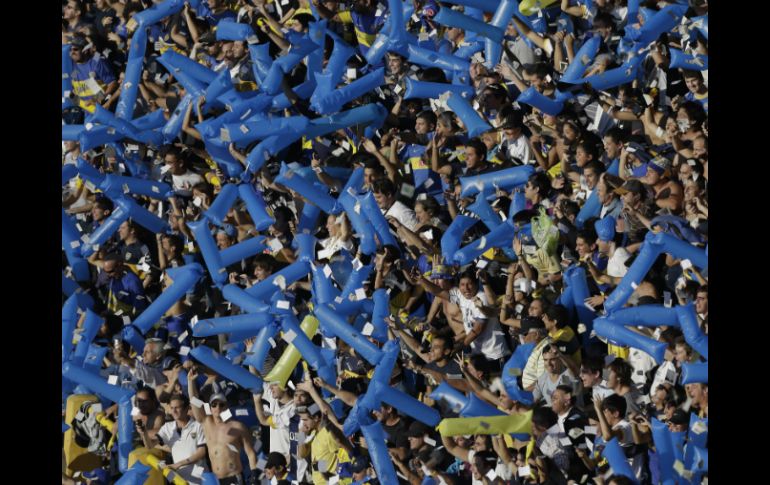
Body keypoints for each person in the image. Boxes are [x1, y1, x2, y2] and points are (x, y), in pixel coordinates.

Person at [187, 367, 259, 484]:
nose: (218, 408)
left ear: (227, 407)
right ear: (210, 408)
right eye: (214, 405)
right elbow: (194, 402)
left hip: (234, 478)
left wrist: (254, 474)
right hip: (217, 480)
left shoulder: (237, 427)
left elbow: (250, 453)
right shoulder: (207, 423)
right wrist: (190, 382)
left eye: (221, 405)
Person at [155, 394, 209, 484]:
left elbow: (201, 453)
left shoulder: (198, 425)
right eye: (172, 408)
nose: (174, 411)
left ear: (186, 408)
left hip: (201, 479)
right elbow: (150, 444)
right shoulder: (167, 427)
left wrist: (178, 464)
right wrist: (143, 432)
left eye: (177, 407)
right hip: (180, 481)